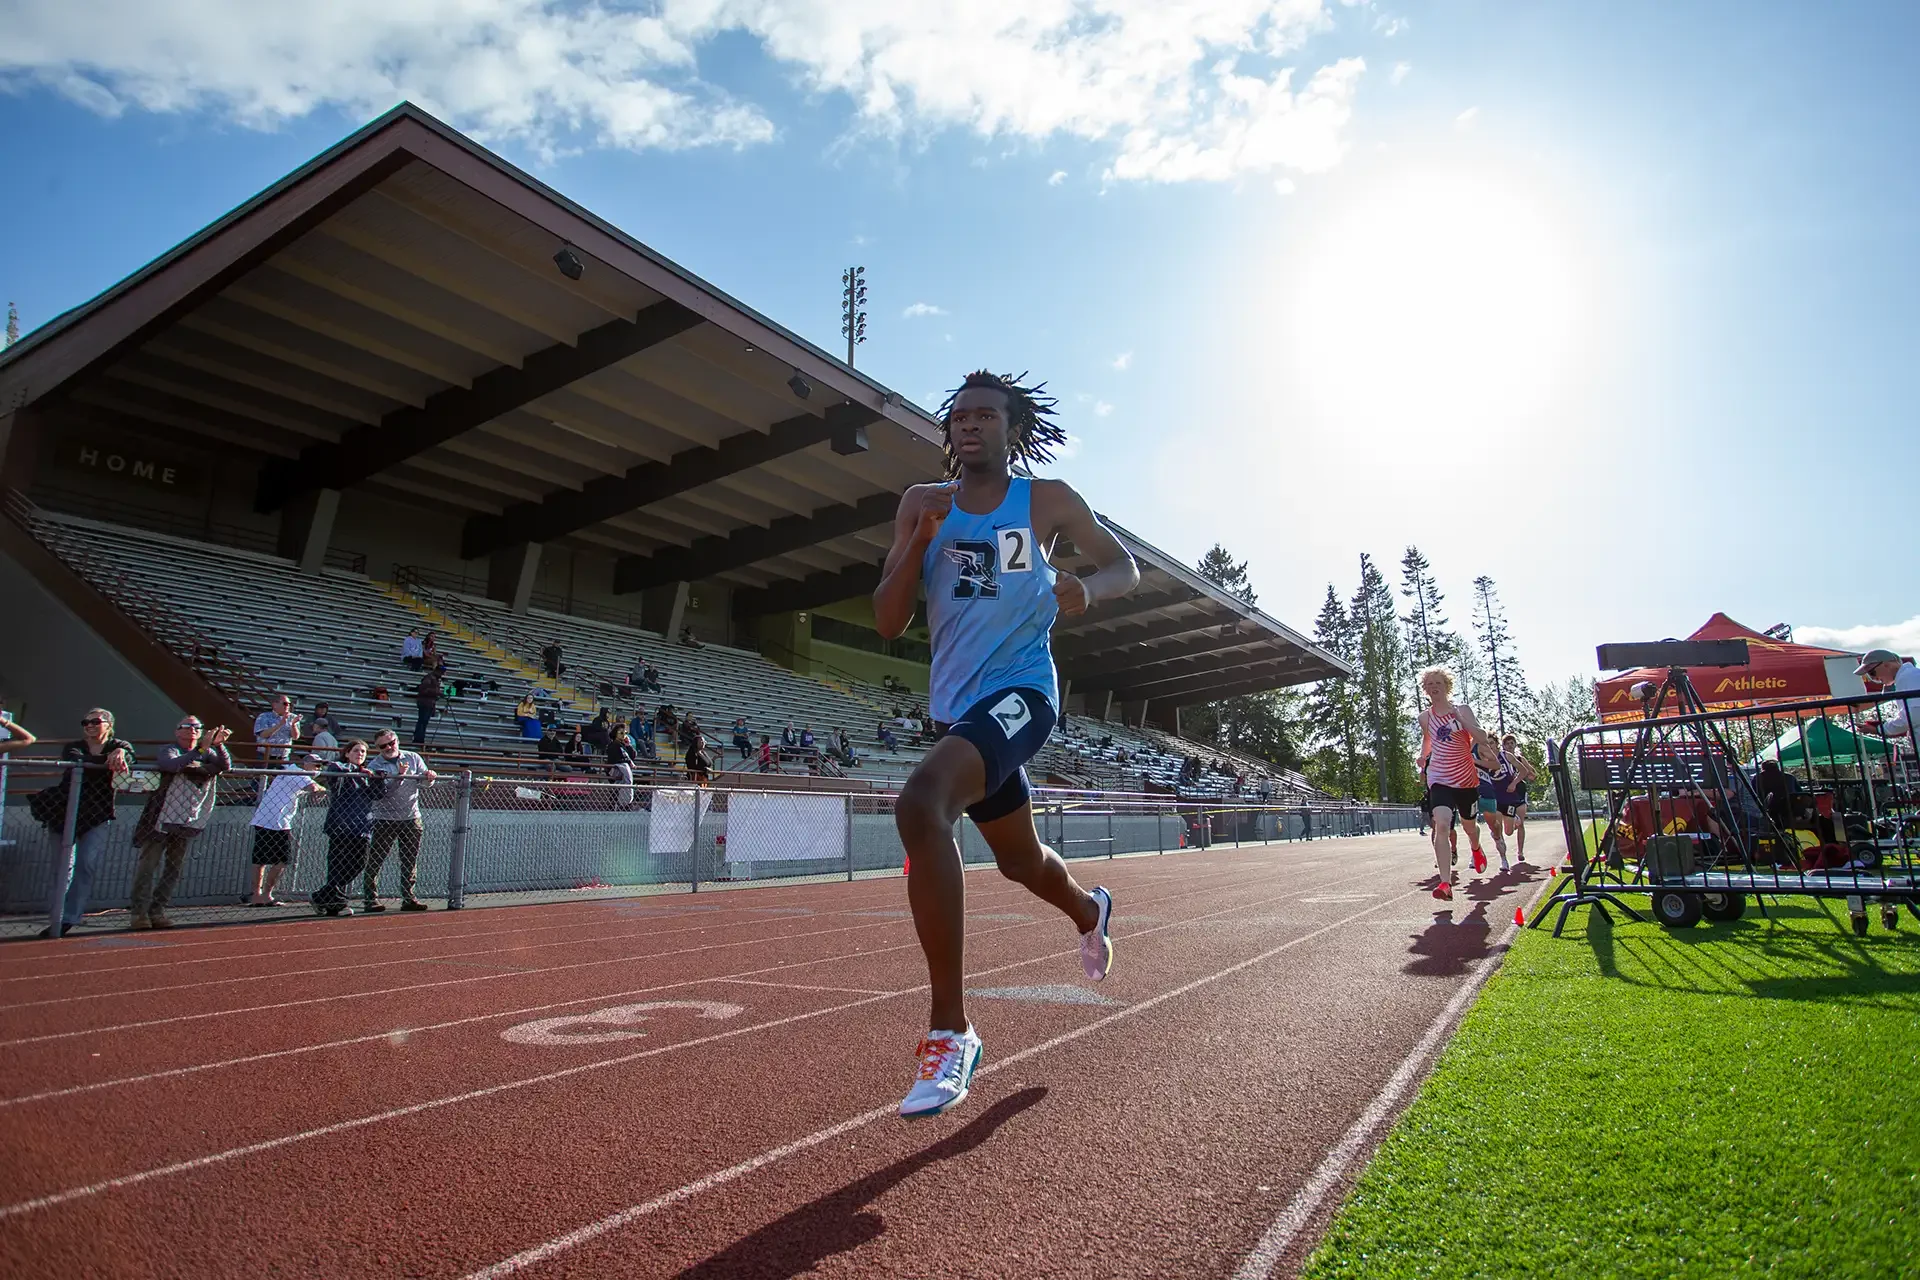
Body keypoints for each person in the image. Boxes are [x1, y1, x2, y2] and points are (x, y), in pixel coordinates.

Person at [875, 369, 1139, 1118]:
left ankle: (950, 1031)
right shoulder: (921, 504)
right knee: (1021, 861)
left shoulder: (1044, 500)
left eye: (985, 415)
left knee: (921, 805)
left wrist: (1088, 588)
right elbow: (888, 621)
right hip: (957, 713)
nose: (969, 425)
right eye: (959, 416)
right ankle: (1089, 910)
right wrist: (916, 540)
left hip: (1024, 693)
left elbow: (1123, 565)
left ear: (1012, 429)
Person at [129, 716, 234, 930]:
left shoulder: (207, 752)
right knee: (148, 866)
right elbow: (171, 765)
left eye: (197, 727)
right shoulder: (170, 749)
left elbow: (224, 766)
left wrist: (218, 745)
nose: (192, 730)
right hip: (161, 818)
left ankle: (158, 911)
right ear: (177, 731)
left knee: (174, 868)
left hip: (187, 819)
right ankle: (139, 913)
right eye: (186, 726)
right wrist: (200, 752)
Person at [44, 710, 135, 937]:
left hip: (97, 814)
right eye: (86, 722)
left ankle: (69, 918)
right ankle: (56, 917)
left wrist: (121, 752)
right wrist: (108, 760)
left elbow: (131, 757)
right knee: (62, 867)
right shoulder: (74, 746)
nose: (89, 725)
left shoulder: (119, 746)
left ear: (109, 725)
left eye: (95, 721)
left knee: (86, 865)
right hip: (64, 811)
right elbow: (77, 760)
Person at [1416, 667, 1490, 902]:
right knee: (1442, 824)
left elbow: (1482, 738)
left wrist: (1461, 720)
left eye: (1438, 683)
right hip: (1439, 777)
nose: (1434, 687)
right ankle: (1445, 883)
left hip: (1465, 779)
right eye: (1429, 684)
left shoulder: (1463, 710)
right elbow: (1428, 741)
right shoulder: (1425, 717)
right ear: (1425, 689)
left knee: (1470, 827)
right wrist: (1422, 758)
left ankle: (1476, 847)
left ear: (1447, 686)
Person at [363, 730, 437, 911]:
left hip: (411, 817)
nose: (389, 747)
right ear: (377, 748)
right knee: (375, 860)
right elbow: (382, 793)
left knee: (410, 860)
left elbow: (424, 783)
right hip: (384, 818)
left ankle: (409, 898)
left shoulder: (412, 757)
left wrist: (429, 777)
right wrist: (399, 776)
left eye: (392, 743)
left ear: (397, 741)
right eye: (383, 746)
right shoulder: (375, 765)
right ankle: (370, 899)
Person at [310, 741, 383, 917]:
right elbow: (334, 772)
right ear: (347, 753)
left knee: (359, 863)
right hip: (341, 825)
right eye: (356, 750)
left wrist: (376, 778)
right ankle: (336, 904)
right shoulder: (339, 767)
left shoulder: (367, 773)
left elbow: (378, 794)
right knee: (337, 865)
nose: (360, 754)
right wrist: (356, 771)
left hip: (362, 826)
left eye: (363, 751)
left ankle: (321, 897)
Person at [248, 756, 322, 906]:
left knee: (275, 860)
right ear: (306, 764)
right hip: (273, 820)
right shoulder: (297, 773)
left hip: (275, 820)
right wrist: (322, 789)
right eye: (316, 765)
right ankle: (260, 895)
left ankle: (263, 895)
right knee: (269, 859)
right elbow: (313, 788)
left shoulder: (293, 772)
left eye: (320, 766)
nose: (318, 769)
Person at [1857, 649, 1920, 755]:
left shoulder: (1908, 677)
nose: (1874, 678)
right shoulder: (1909, 676)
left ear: (1886, 665)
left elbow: (1914, 715)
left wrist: (1880, 729)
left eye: (1872, 672)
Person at [1498, 734, 1537, 861]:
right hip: (1505, 793)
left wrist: (1528, 773)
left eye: (1512, 743)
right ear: (1503, 746)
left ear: (1515, 745)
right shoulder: (1500, 759)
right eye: (1507, 743)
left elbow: (1532, 774)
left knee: (1521, 823)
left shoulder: (1520, 759)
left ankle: (1520, 852)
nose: (1510, 745)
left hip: (1519, 791)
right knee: (1506, 828)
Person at [252, 693, 300, 767]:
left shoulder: (293, 717)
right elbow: (263, 734)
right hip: (265, 756)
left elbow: (295, 737)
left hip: (283, 758)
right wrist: (280, 724)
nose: (287, 706)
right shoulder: (264, 716)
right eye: (285, 703)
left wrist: (293, 725)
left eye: (289, 704)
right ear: (275, 705)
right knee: (262, 774)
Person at [607, 724, 640, 808]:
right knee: (624, 774)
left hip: (623, 772)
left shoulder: (623, 745)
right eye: (621, 733)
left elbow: (633, 756)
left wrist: (629, 745)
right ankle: (621, 804)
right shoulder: (613, 745)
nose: (623, 735)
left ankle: (621, 804)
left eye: (625, 733)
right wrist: (629, 762)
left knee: (622, 783)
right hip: (615, 770)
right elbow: (616, 759)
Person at [411, 671, 438, 747]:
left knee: (423, 722)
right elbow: (424, 690)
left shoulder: (433, 679)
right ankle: (418, 738)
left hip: (428, 703)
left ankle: (420, 738)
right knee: (422, 721)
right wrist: (436, 692)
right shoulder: (429, 679)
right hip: (425, 703)